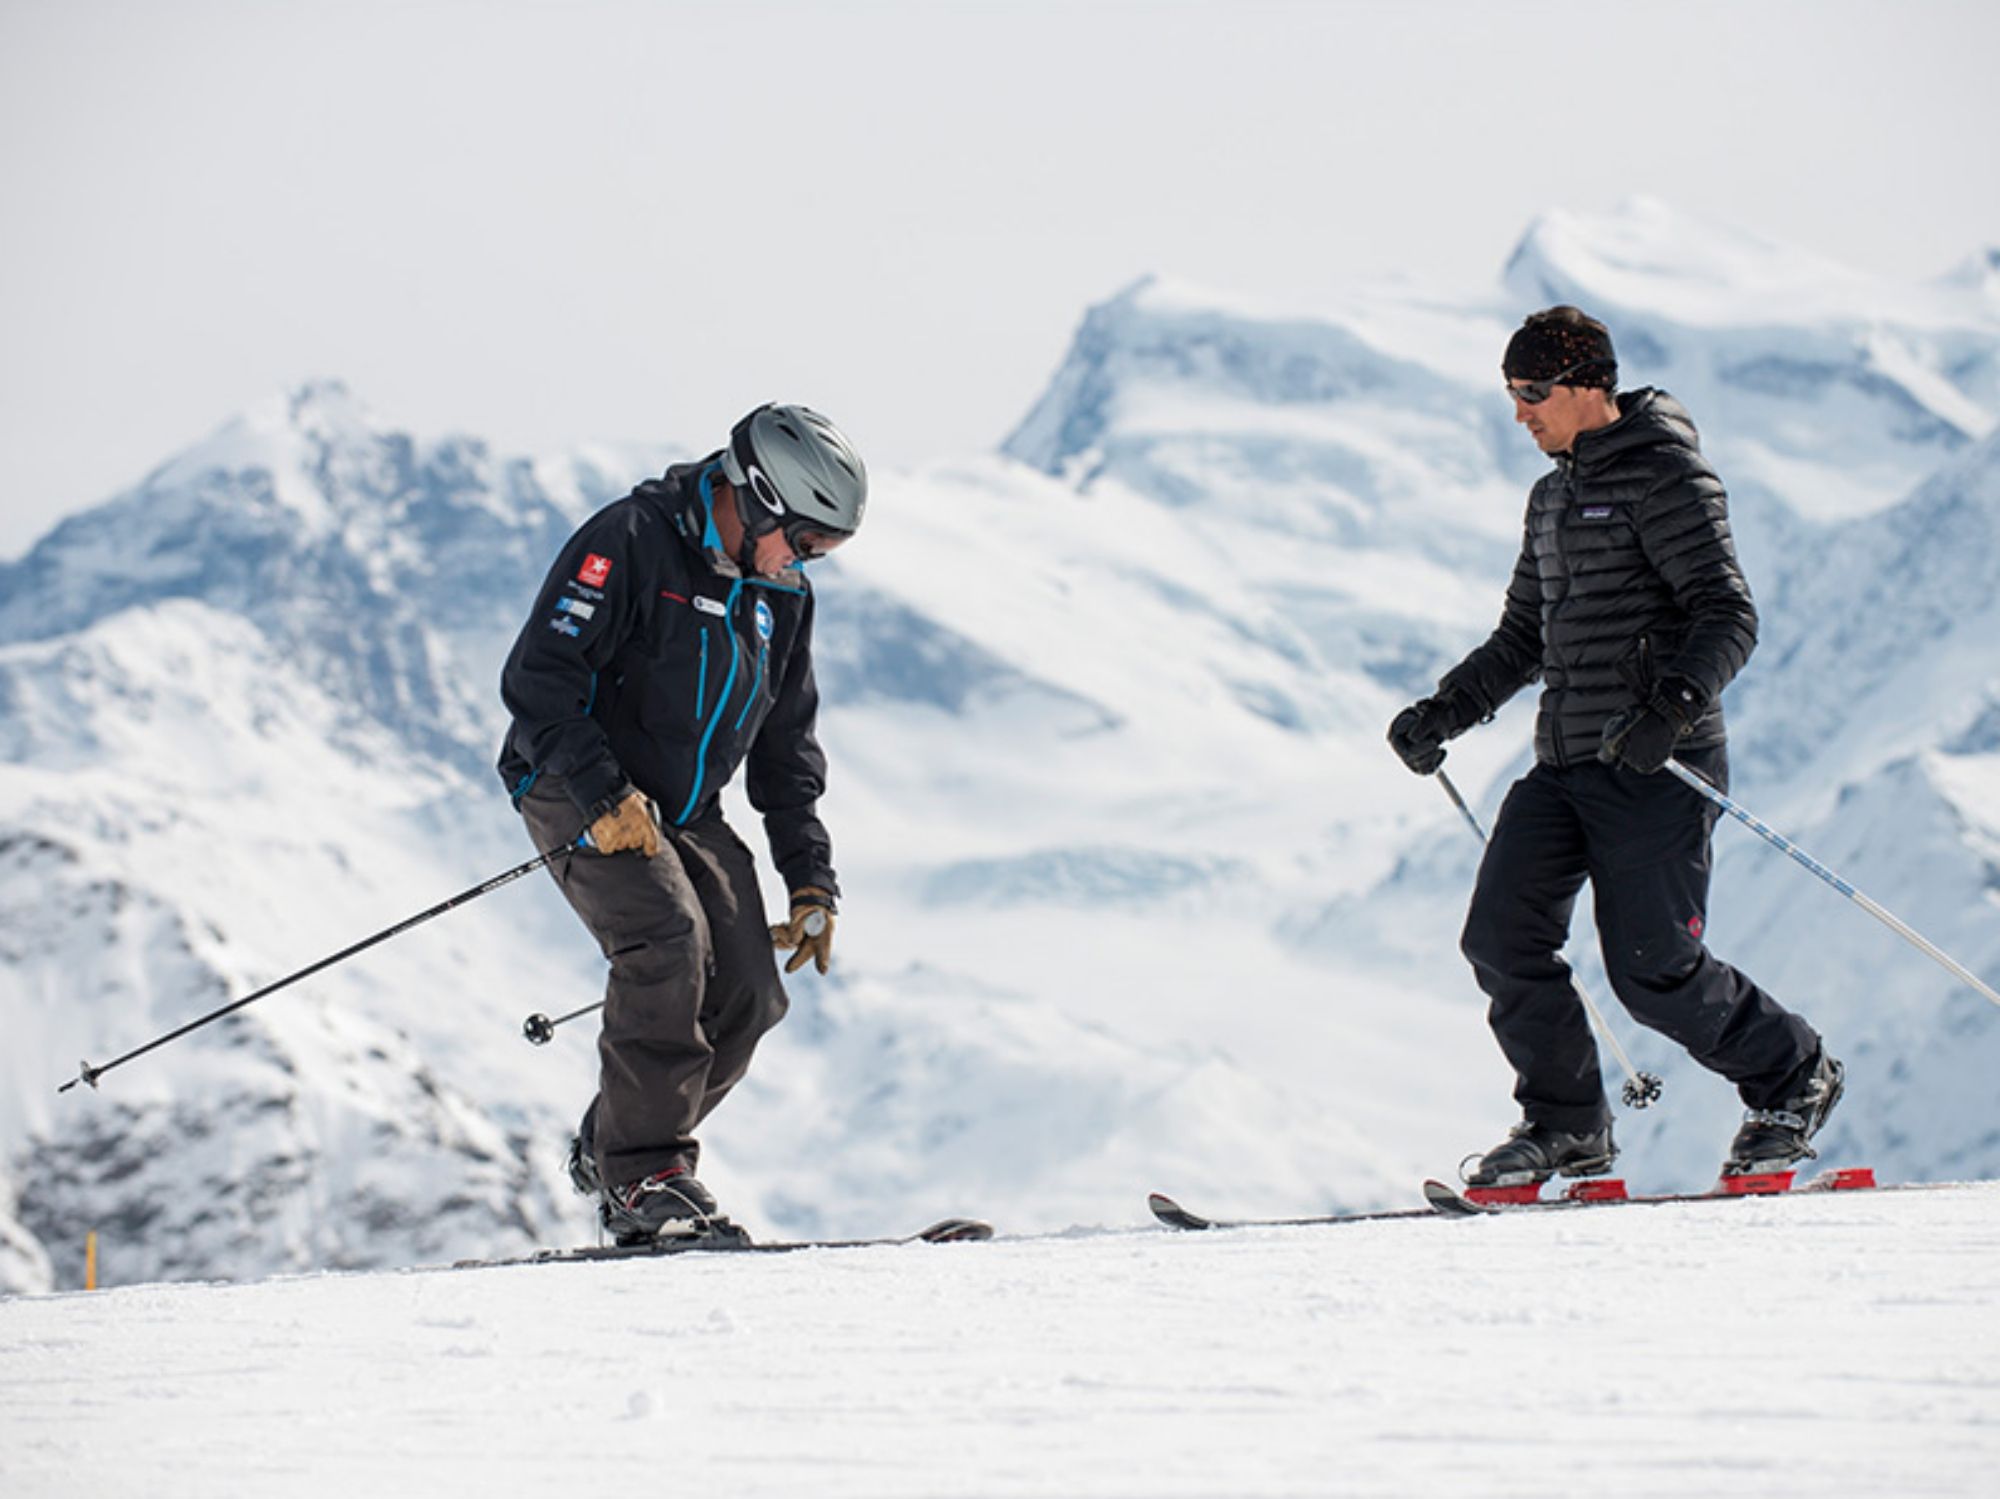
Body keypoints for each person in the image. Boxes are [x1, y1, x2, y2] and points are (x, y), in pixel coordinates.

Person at [1388, 307, 1843, 1188]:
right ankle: (1567, 1127)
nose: (1521, 412)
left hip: (1657, 766)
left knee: (1653, 970)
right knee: (1501, 938)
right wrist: (1445, 710)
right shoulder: (1553, 493)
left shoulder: (1667, 476)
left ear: (1590, 385)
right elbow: (1525, 635)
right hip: (1565, 762)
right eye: (1511, 393)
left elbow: (1727, 612)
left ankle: (1794, 1077)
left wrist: (1670, 708)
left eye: (1534, 392)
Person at [497, 403, 866, 1242]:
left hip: (685, 808)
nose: (806, 565)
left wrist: (810, 876)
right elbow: (537, 681)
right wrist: (600, 791)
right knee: (665, 939)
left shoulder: (781, 597)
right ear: (762, 499)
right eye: (804, 543)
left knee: (748, 988)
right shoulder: (630, 540)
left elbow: (783, 743)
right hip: (572, 777)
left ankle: (614, 1142)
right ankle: (644, 1178)